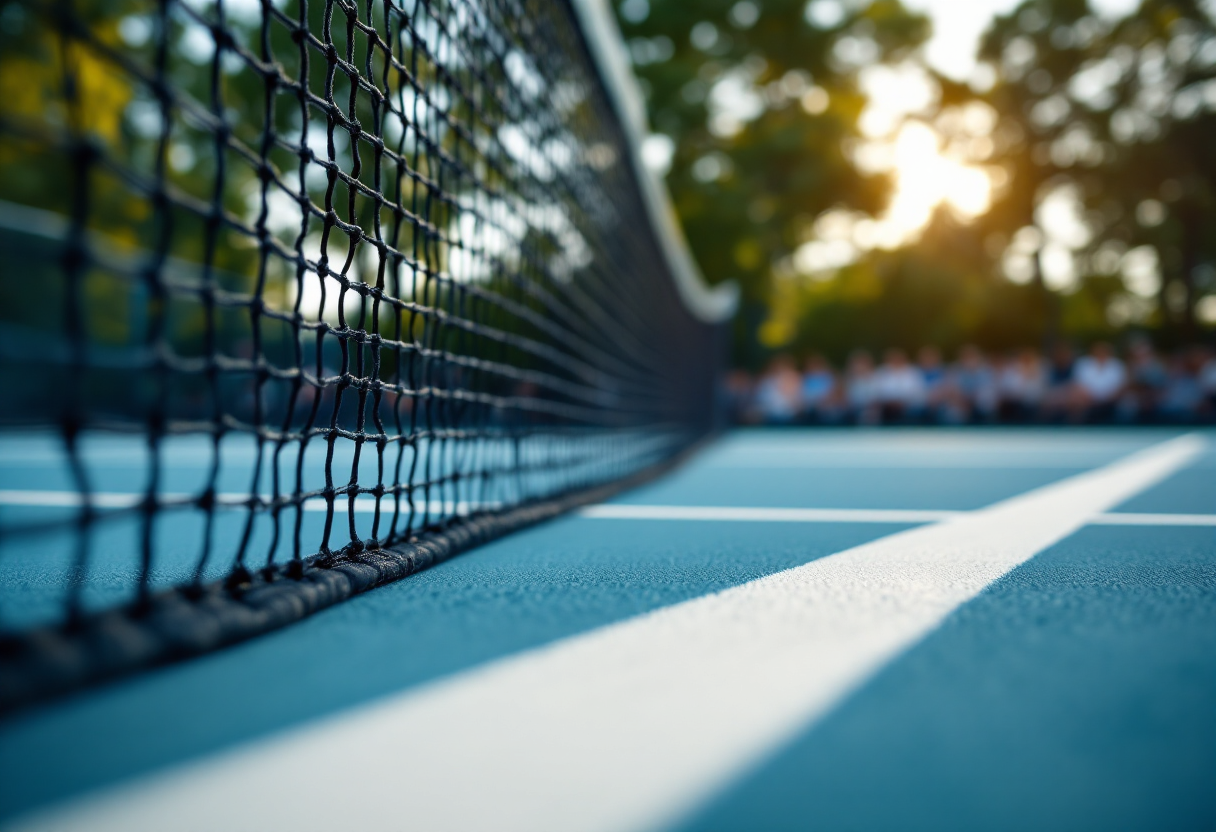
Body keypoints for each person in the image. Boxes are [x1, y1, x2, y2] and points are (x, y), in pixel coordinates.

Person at [1073, 342, 1126, 422]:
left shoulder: (1117, 365)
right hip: (1087, 399)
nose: (1101, 353)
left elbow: (1121, 386)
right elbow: (1079, 384)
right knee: (1074, 398)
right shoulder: (1083, 363)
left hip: (1113, 399)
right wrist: (1090, 397)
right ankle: (1076, 427)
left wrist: (1108, 398)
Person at [875, 348, 925, 423]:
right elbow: (877, 391)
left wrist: (903, 401)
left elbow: (918, 391)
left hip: (909, 406)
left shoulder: (913, 372)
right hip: (886, 407)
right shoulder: (881, 372)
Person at [950, 345, 997, 423]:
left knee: (985, 403)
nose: (969, 361)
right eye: (966, 358)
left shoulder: (985, 372)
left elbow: (988, 392)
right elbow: (953, 391)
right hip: (961, 404)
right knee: (952, 413)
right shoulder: (956, 371)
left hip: (978, 405)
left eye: (971, 357)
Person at [999, 348, 1046, 422]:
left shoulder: (1040, 371)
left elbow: (1039, 392)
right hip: (1014, 405)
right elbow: (1010, 390)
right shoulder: (1014, 371)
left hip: (1033, 405)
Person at [754, 356, 802, 424]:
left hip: (787, 415)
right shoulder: (768, 381)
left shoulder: (792, 378)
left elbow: (796, 401)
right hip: (770, 414)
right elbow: (762, 400)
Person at [800, 354, 839, 423]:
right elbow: (802, 395)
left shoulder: (828, 377)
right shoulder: (805, 377)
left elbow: (833, 393)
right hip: (809, 407)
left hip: (825, 407)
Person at [844, 350, 880, 425]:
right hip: (852, 410)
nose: (859, 366)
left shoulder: (876, 378)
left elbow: (876, 397)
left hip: (870, 409)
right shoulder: (848, 380)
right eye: (856, 364)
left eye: (861, 364)